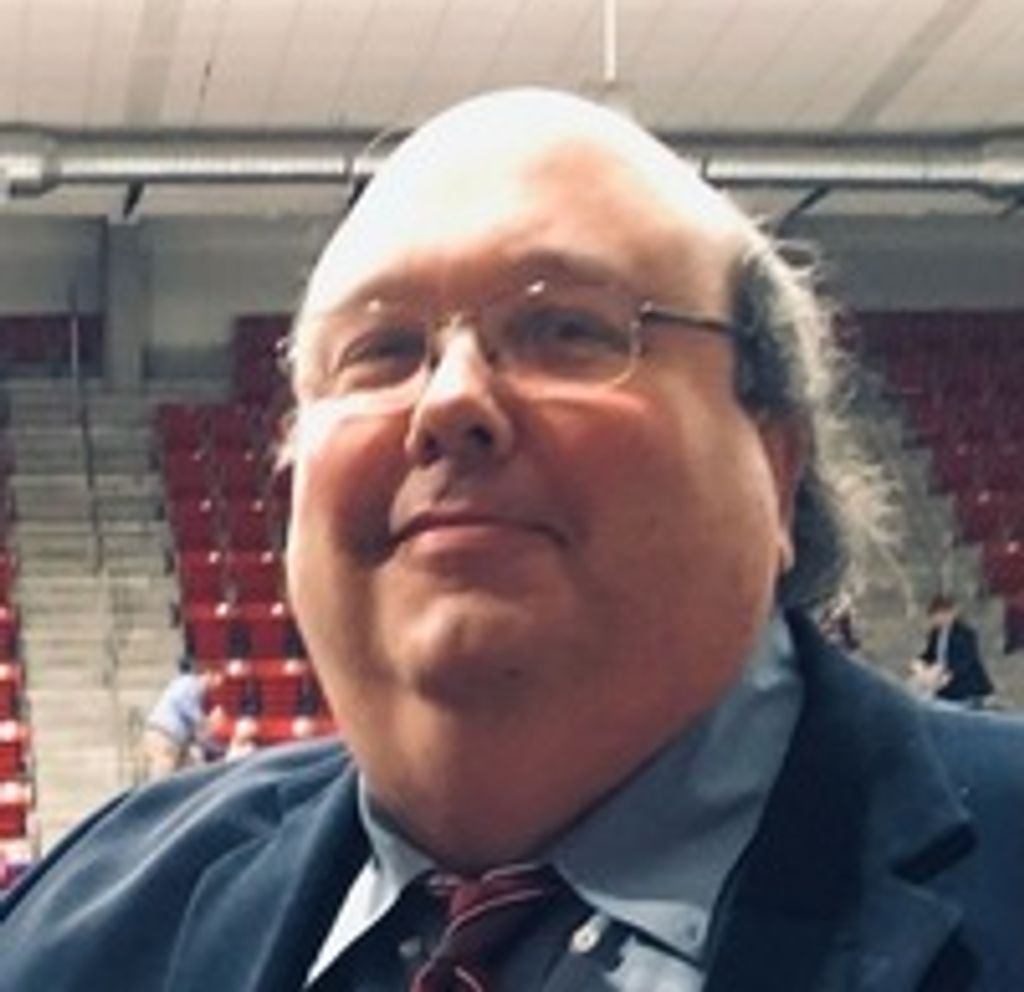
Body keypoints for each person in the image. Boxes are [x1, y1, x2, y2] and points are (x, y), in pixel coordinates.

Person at [3, 88, 1023, 991]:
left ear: (775, 461)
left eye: (567, 330)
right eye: (380, 350)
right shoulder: (76, 925)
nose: (448, 401)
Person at [139, 656, 225, 779]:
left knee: (189, 770)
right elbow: (180, 702)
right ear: (209, 674)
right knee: (162, 779)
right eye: (219, 677)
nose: (220, 683)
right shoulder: (189, 682)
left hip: (176, 741)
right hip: (164, 736)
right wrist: (204, 720)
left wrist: (211, 734)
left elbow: (195, 732)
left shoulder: (197, 694)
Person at [912, 592, 995, 709]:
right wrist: (920, 663)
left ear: (952, 613)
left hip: (967, 689)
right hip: (944, 689)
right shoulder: (936, 634)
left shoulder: (965, 633)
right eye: (937, 614)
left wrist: (946, 674)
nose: (940, 618)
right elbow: (930, 655)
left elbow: (966, 661)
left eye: (944, 613)